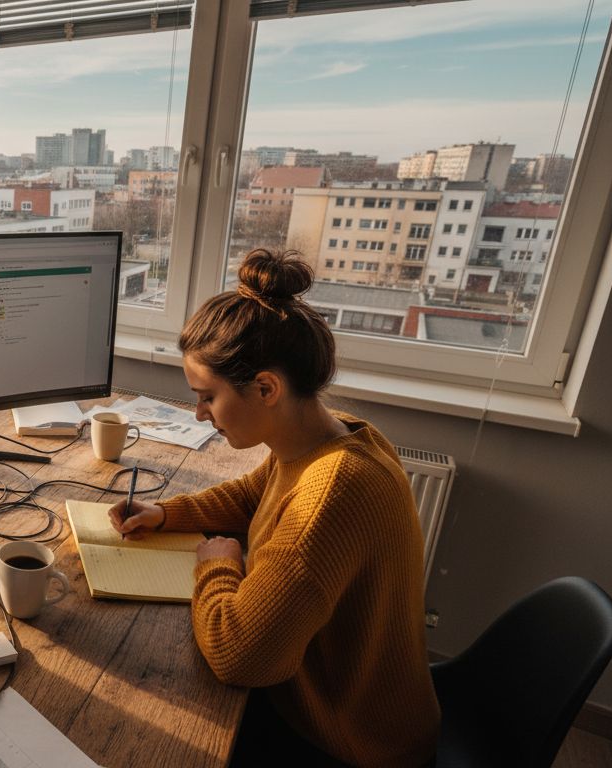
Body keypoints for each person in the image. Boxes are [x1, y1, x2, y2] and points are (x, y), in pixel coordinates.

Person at [109, 248, 438, 766]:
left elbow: (240, 657)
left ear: (266, 388)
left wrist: (219, 566)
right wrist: (168, 514)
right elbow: (249, 497)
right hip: (332, 697)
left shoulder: (335, 492)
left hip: (347, 740)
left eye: (206, 397)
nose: (198, 414)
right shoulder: (333, 437)